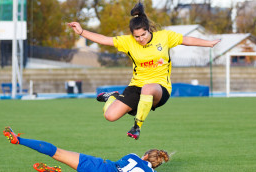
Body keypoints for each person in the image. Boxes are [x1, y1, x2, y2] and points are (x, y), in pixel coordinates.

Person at [68, 2, 220, 140]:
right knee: (110, 116)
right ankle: (113, 97)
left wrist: (209, 43)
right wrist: (82, 32)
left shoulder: (164, 37)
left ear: (149, 30)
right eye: (136, 36)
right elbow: (104, 39)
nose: (140, 39)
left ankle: (137, 127)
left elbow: (187, 40)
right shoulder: (128, 42)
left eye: (143, 35)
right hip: (136, 86)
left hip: (160, 87)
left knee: (148, 88)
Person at [3, 126, 205, 172]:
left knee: (57, 152)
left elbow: (126, 162)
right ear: (158, 163)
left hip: (101, 166)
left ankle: (19, 140)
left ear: (145, 155)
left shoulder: (133, 156)